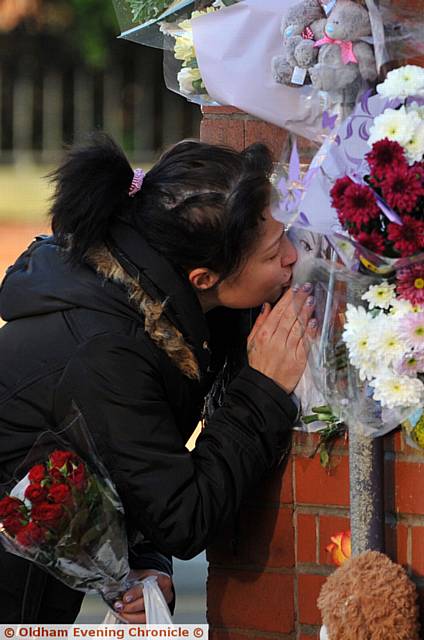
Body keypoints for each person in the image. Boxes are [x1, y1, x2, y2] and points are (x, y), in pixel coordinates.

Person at [0, 133, 317, 623]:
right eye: (274, 252)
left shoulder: (155, 298)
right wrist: (262, 389)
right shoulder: (109, 348)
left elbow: (135, 462)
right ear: (204, 279)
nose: (294, 257)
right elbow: (184, 516)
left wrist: (145, 562)